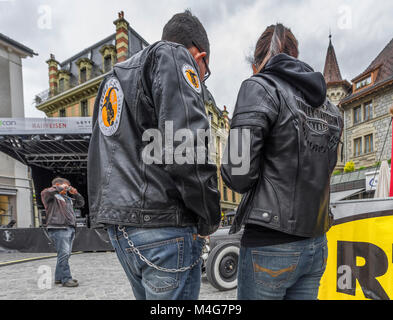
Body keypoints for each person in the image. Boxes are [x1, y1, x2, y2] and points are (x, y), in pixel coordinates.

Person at [87, 10, 221, 300]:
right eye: (204, 72)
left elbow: (99, 155)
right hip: (164, 225)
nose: (201, 80)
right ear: (199, 56)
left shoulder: (113, 80)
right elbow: (186, 146)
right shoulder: (174, 56)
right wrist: (209, 216)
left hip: (124, 229)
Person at [221, 23, 343, 300]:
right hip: (316, 242)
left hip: (270, 243)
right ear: (295, 56)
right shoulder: (333, 111)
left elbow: (238, 174)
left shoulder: (258, 86)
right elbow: (327, 171)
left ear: (258, 62)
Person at [41, 177, 85, 287]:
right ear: (57, 185)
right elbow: (47, 192)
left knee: (64, 254)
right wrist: (60, 187)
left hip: (69, 228)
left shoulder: (67, 198)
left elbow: (81, 203)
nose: (67, 188)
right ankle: (66, 279)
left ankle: (58, 278)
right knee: (64, 253)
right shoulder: (50, 195)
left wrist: (76, 193)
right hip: (58, 227)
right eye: (66, 186)